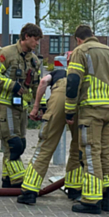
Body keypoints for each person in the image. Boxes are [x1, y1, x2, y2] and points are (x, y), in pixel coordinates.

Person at [66, 24, 109, 214]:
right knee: (106, 152)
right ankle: (107, 197)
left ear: (78, 39)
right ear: (93, 36)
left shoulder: (80, 51)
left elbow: (73, 82)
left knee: (90, 153)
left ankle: (91, 201)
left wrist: (69, 111)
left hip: (91, 110)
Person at [18, 52, 82, 205]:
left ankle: (29, 191)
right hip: (80, 102)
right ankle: (74, 189)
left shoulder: (59, 72)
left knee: (45, 145)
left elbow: (43, 82)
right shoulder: (83, 74)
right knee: (77, 146)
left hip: (58, 100)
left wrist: (36, 107)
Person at [0, 24, 43, 188]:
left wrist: (40, 106)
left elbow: (37, 85)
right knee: (14, 145)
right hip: (4, 105)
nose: (37, 43)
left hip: (21, 108)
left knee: (18, 144)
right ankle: (19, 181)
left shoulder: (33, 60)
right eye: (35, 39)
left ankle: (7, 180)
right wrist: (13, 86)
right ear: (26, 37)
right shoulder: (6, 53)